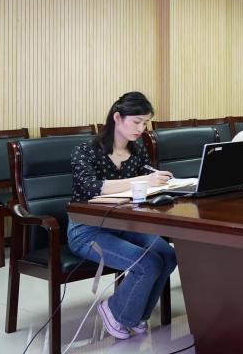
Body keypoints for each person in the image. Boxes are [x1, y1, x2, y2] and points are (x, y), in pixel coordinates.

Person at [67, 92, 177, 340]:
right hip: (87, 230)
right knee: (147, 263)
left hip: (125, 225)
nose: (141, 129)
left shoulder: (137, 151)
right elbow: (91, 187)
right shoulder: (85, 150)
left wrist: (162, 183)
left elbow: (147, 184)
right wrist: (142, 180)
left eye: (145, 123)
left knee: (168, 256)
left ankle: (135, 315)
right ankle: (113, 309)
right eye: (137, 122)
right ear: (117, 118)